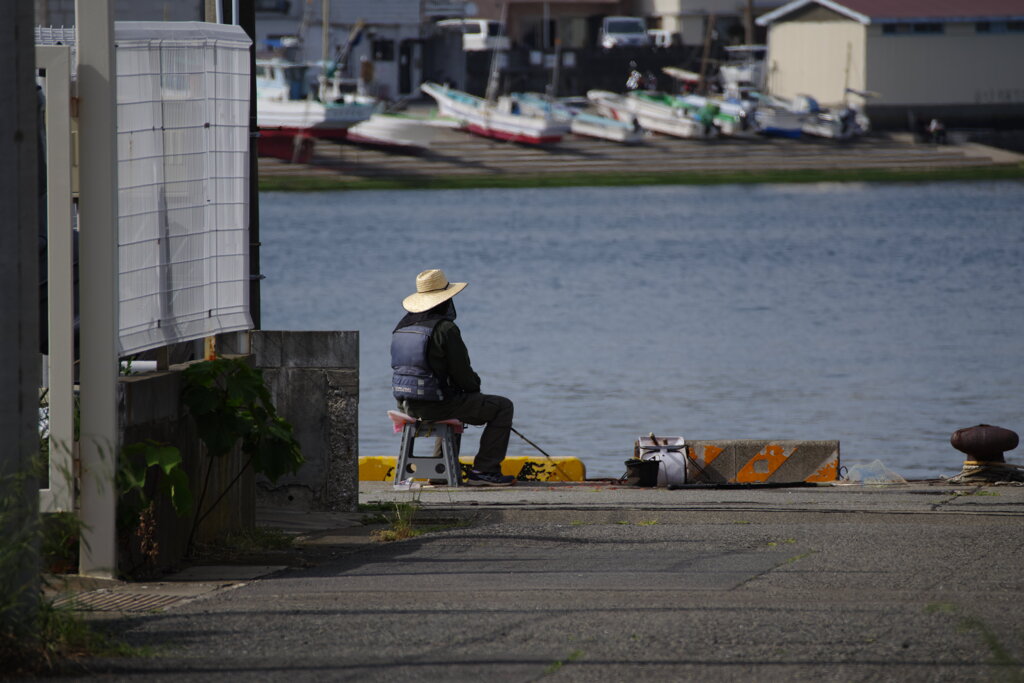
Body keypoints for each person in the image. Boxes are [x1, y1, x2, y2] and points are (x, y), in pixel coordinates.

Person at [391, 269, 516, 487]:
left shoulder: (402, 327)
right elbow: (462, 373)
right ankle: (485, 471)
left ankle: (441, 472)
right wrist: (474, 389)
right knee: (502, 406)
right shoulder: (445, 328)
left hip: (406, 404)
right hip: (437, 406)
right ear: (445, 301)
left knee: (450, 400)